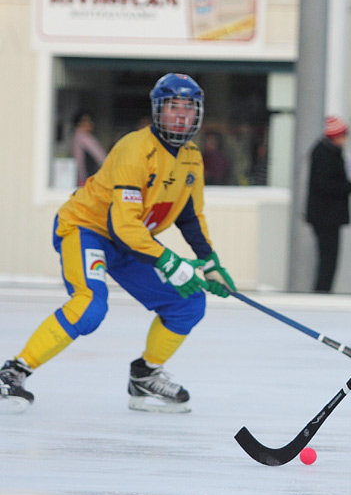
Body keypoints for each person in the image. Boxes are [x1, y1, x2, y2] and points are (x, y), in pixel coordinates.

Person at [0, 73, 236, 415]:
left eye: (189, 108)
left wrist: (210, 261)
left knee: (188, 303)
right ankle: (13, 372)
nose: (181, 115)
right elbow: (122, 224)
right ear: (158, 111)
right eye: (173, 107)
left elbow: (189, 216)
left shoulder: (192, 158)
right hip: (87, 229)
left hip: (132, 242)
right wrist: (171, 262)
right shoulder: (134, 149)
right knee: (90, 305)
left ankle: (145, 374)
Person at [305, 115, 351, 293]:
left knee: (329, 258)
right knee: (328, 257)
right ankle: (322, 291)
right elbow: (325, 183)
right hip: (326, 215)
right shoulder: (325, 153)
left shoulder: (326, 151)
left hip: (326, 215)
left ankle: (324, 290)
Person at [71, 111, 107, 186]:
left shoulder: (75, 136)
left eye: (90, 121)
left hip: (79, 179)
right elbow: (102, 158)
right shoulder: (84, 137)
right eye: (86, 121)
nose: (90, 123)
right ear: (79, 123)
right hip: (86, 179)